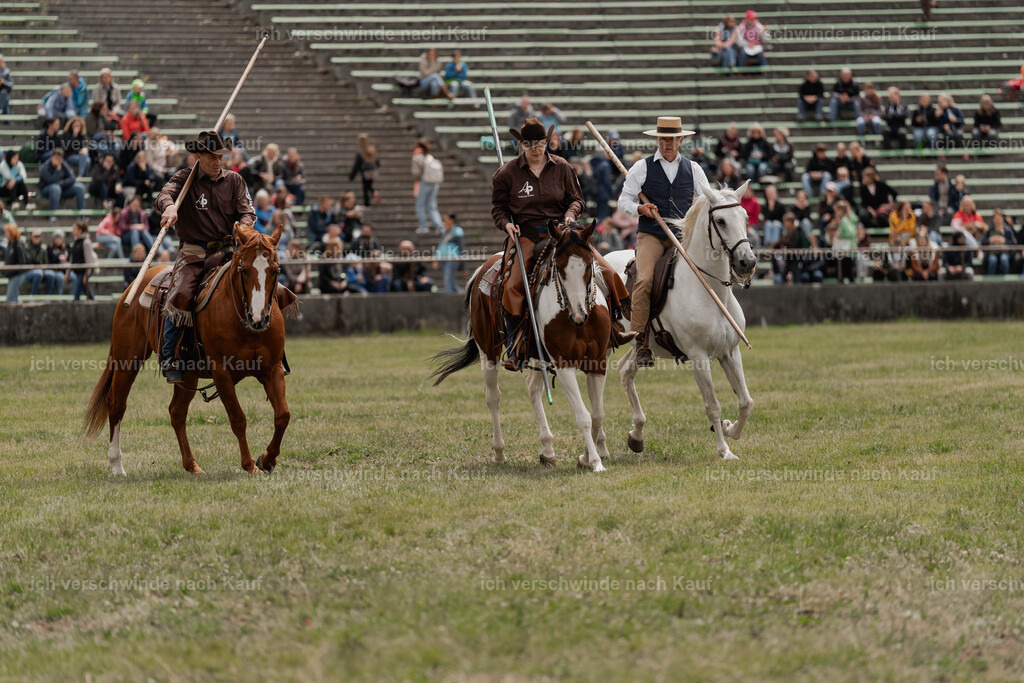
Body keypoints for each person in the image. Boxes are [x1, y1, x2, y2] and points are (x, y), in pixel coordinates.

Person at [495, 117, 634, 370]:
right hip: (527, 234)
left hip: (562, 232)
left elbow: (576, 199)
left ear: (547, 142)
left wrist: (571, 214)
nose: (536, 148)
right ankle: (517, 344)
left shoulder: (563, 167)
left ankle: (614, 328)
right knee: (513, 285)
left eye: (540, 143)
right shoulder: (507, 173)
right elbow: (498, 209)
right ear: (522, 144)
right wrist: (506, 224)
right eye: (530, 143)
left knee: (608, 273)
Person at [153, 130, 257, 382]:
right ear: (198, 156)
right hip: (194, 252)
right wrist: (169, 207)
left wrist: (243, 228)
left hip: (229, 249)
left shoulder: (235, 180)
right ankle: (170, 356)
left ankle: (272, 352)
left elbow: (248, 212)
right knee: (181, 293)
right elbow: (163, 196)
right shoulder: (184, 178)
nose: (218, 162)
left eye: (220, 157)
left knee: (264, 283)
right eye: (212, 157)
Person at [617, 116, 712, 367]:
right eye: (662, 139)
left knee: (703, 275)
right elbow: (623, 201)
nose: (666, 143)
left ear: (680, 141)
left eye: (671, 139)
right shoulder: (642, 167)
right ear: (657, 140)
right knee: (645, 280)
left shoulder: (694, 169)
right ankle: (641, 341)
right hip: (652, 236)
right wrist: (640, 209)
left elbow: (706, 201)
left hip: (682, 237)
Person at [412, 139, 444, 234]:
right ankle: (439, 225)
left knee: (420, 205)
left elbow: (416, 172)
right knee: (432, 206)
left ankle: (423, 226)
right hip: (434, 183)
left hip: (424, 182)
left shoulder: (417, 158)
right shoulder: (430, 157)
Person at [39, 149, 86, 214]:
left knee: (80, 187)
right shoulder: (45, 167)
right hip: (47, 189)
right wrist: (57, 170)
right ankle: (53, 215)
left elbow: (72, 178)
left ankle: (82, 215)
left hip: (62, 188)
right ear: (52, 157)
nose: (58, 161)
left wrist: (61, 183)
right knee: (55, 188)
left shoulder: (63, 163)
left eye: (60, 158)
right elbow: (51, 181)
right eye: (56, 158)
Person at [24, 227, 62, 295]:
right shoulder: (27, 247)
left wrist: (43, 268)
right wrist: (37, 268)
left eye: (38, 237)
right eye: (35, 237)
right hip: (29, 270)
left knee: (51, 274)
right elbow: (28, 262)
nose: (36, 239)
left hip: (41, 270)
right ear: (31, 237)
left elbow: (46, 262)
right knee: (38, 273)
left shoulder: (43, 248)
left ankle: (48, 296)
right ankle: (33, 295)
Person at [66, 220, 96, 300]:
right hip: (78, 272)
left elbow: (89, 260)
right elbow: (72, 258)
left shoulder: (86, 243)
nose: (73, 231)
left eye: (74, 229)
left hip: (83, 272)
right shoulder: (76, 242)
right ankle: (94, 303)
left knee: (76, 294)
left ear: (80, 230)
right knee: (87, 292)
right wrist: (68, 272)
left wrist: (87, 275)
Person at [435, 213, 464, 293]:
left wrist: (464, 265)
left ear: (452, 220)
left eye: (446, 220)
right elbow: (441, 246)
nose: (444, 221)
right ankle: (460, 292)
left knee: (448, 279)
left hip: (453, 258)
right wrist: (436, 258)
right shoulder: (445, 231)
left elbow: (461, 247)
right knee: (450, 280)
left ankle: (448, 295)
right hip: (443, 258)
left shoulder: (457, 231)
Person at [349, 133, 380, 206]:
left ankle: (367, 201)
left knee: (365, 187)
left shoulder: (360, 153)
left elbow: (356, 165)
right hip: (373, 171)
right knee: (369, 185)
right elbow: (377, 161)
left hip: (365, 172)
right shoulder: (372, 150)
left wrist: (352, 176)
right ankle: (373, 192)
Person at [982, 208, 1015, 275]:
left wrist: (1004, 240)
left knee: (1004, 259)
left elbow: (1012, 243)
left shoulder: (1008, 230)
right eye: (996, 219)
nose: (998, 221)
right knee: (992, 260)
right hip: (992, 252)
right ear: (993, 219)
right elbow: (983, 242)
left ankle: (1006, 277)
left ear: (1002, 218)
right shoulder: (989, 230)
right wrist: (990, 240)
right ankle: (991, 278)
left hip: (1005, 252)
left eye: (999, 219)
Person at [3, 223, 29, 302]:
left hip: (17, 275)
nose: (5, 234)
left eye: (7, 232)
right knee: (15, 298)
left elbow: (22, 262)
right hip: (12, 275)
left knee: (10, 299)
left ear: (12, 232)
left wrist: (12, 271)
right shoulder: (10, 244)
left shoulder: (18, 245)